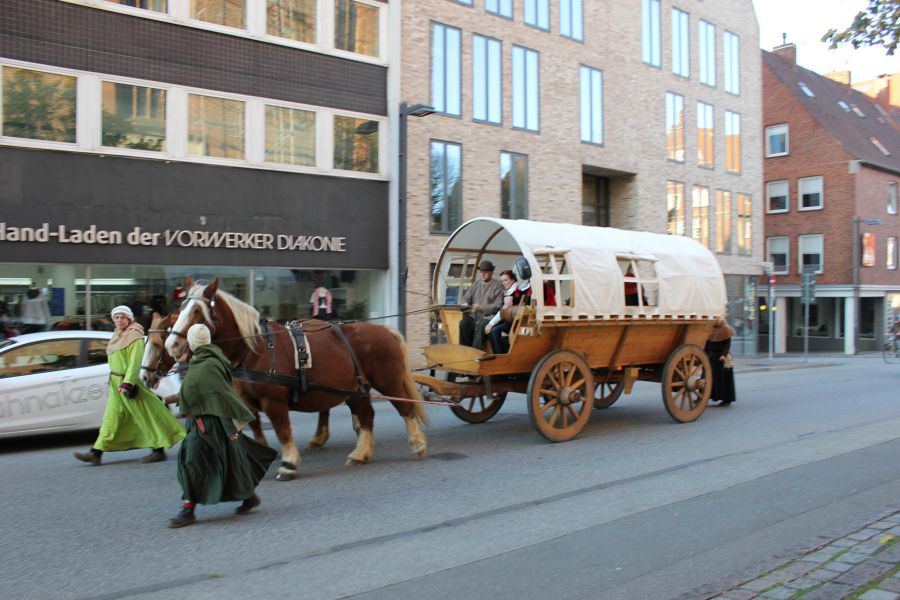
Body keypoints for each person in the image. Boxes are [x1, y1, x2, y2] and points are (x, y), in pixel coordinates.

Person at [163, 324, 277, 528]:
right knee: (231, 461)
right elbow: (199, 391)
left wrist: (230, 429)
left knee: (192, 462)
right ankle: (249, 497)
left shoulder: (207, 365)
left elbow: (221, 397)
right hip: (204, 422)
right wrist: (172, 398)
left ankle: (188, 509)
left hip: (209, 424)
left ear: (192, 342)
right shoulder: (204, 359)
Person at [74, 306, 185, 466]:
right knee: (111, 419)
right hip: (115, 383)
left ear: (129, 319)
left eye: (122, 317)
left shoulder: (135, 336)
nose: (119, 320)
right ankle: (96, 453)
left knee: (146, 416)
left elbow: (134, 363)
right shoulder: (117, 334)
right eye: (116, 317)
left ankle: (159, 450)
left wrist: (128, 383)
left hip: (129, 385)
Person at [485, 258, 533, 354]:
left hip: (527, 323)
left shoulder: (530, 288)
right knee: (492, 330)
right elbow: (505, 309)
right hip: (514, 320)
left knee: (495, 330)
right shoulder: (517, 290)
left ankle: (501, 356)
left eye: (506, 280)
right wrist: (491, 323)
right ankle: (498, 354)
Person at [458, 260, 504, 347]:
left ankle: (475, 353)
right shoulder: (476, 284)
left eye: (486, 271)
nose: (483, 274)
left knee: (480, 326)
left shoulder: (498, 285)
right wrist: (464, 303)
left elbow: (498, 305)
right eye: (481, 271)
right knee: (464, 323)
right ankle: (464, 350)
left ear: (491, 272)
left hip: (489, 317)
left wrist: (482, 307)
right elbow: (466, 297)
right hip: (474, 316)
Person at [705, 318, 736, 405]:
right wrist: (705, 354)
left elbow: (727, 344)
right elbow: (708, 342)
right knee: (712, 378)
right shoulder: (712, 328)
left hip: (722, 358)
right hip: (712, 357)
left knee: (723, 378)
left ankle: (726, 399)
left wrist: (724, 355)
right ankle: (713, 396)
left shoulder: (726, 328)